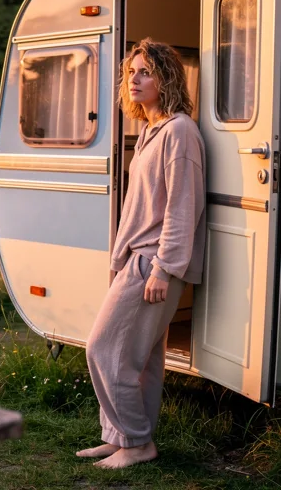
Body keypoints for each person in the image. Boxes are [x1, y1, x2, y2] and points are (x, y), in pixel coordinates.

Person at [77, 38, 206, 469]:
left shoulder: (180, 131)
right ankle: (122, 438)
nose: (134, 79)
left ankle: (136, 442)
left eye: (145, 71)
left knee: (103, 348)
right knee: (143, 360)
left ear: (166, 77)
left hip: (154, 262)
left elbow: (181, 206)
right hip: (138, 257)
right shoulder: (151, 130)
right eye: (131, 71)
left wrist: (164, 269)